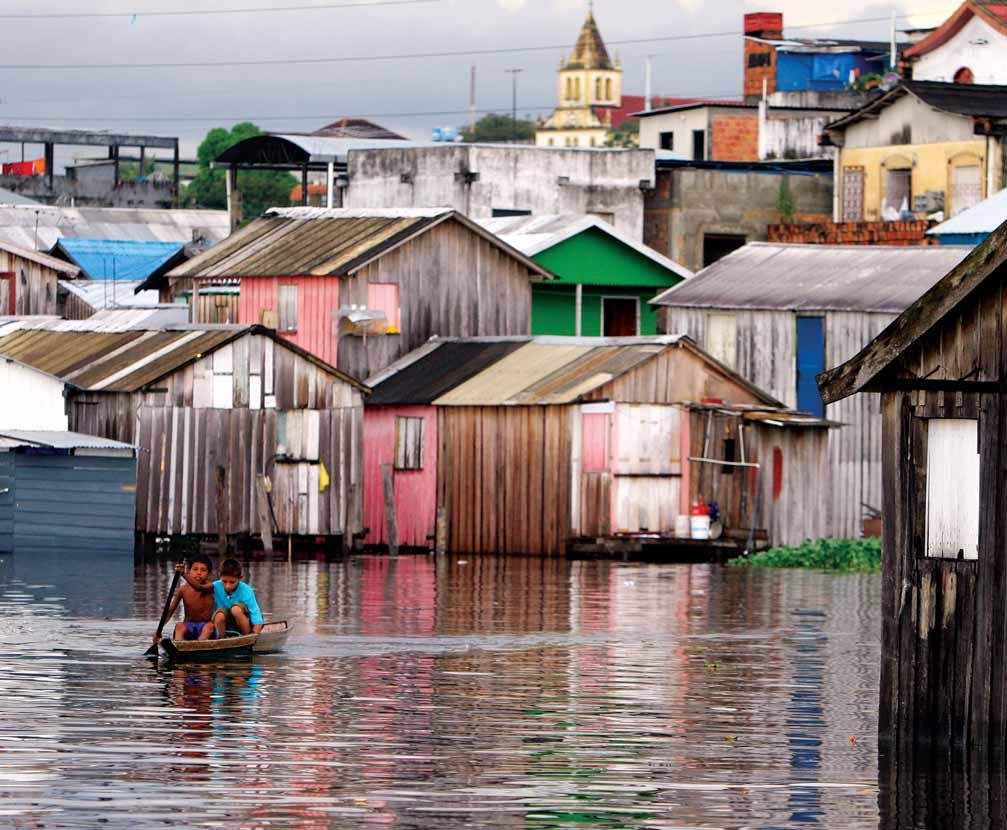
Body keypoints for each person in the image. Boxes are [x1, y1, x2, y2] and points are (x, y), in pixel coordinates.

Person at [152, 555, 217, 643]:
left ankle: (200, 644)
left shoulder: (211, 587)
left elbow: (198, 587)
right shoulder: (183, 589)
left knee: (209, 626)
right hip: (188, 627)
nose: (199, 573)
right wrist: (159, 630)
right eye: (195, 569)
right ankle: (179, 644)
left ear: (208, 574)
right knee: (179, 626)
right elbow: (170, 611)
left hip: (205, 628)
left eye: (203, 570)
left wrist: (183, 574)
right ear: (189, 571)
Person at [212, 558, 265, 638]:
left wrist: (254, 635)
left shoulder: (247, 590)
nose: (228, 586)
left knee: (236, 610)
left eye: (232, 582)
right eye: (224, 581)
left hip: (243, 625)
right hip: (223, 625)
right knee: (219, 615)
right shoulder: (214, 587)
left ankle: (246, 637)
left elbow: (256, 617)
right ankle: (221, 639)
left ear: (240, 578)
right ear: (219, 576)